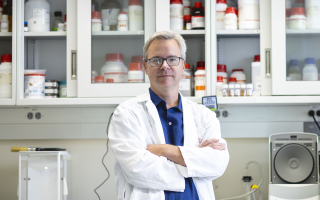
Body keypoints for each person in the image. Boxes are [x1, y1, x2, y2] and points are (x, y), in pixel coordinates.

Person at [108, 31, 229, 200]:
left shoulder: (203, 115)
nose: (165, 66)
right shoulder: (127, 113)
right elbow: (137, 169)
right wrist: (194, 164)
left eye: (172, 59)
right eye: (156, 60)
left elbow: (217, 164)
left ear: (183, 65)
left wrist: (164, 150)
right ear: (145, 66)